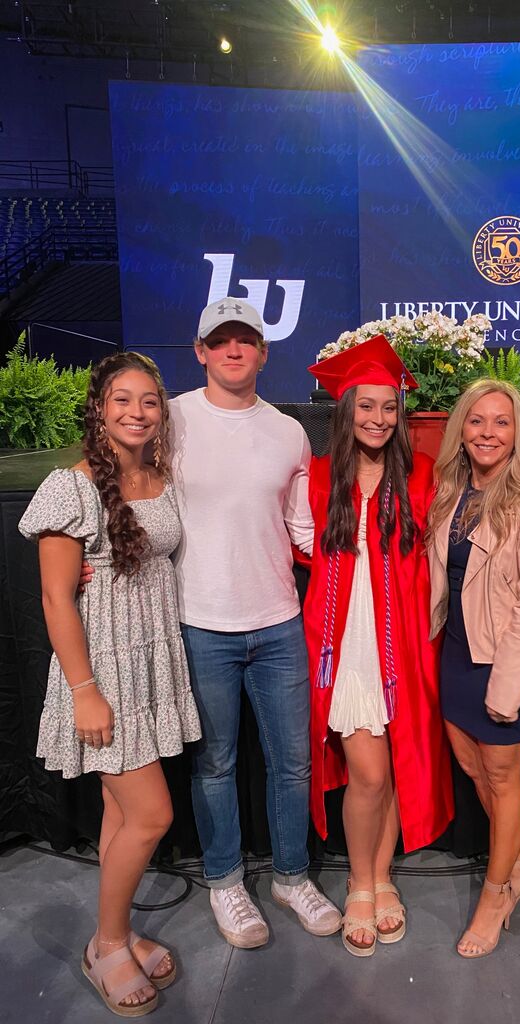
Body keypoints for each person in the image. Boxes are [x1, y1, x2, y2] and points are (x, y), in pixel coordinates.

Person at [82, 298, 341, 948]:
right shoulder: (167, 419)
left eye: (245, 340)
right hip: (197, 628)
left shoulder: (288, 432)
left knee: (293, 765)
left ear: (263, 350)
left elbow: (302, 526)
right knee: (214, 765)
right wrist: (93, 551)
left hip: (280, 623)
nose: (233, 350)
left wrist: (359, 554)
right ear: (199, 351)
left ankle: (290, 876)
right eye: (220, 340)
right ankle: (225, 882)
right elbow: (116, 482)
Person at [19, 352, 202, 1017]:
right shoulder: (70, 488)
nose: (137, 412)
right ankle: (109, 943)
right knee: (152, 813)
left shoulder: (160, 475)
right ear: (99, 407)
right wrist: (84, 689)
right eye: (122, 400)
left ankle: (114, 935)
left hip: (152, 662)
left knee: (124, 813)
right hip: (103, 671)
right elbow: (54, 598)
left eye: (149, 401)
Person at [304, 334, 454, 957]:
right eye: (366, 406)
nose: (378, 418)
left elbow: (450, 551)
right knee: (367, 773)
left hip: (406, 647)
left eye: (389, 407)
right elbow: (285, 553)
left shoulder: (421, 476)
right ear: (345, 411)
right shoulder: (313, 479)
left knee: (392, 766)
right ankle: (359, 882)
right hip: (346, 647)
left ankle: (383, 876)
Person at [427, 379, 520, 959]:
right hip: (457, 653)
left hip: (506, 660)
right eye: (477, 421)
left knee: (503, 778)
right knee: (472, 768)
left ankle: (496, 892)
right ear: (462, 429)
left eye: (501, 422)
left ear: (517, 433)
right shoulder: (450, 490)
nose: (487, 432)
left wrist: (507, 686)